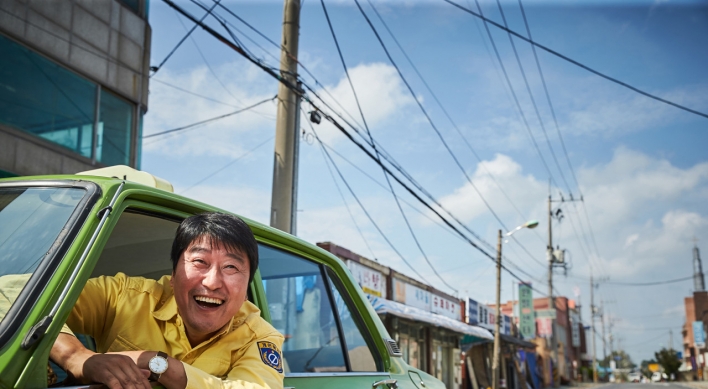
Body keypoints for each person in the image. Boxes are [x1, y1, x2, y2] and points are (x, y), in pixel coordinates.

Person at [49, 212, 284, 389]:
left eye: (231, 267)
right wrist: (77, 357)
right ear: (172, 275)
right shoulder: (124, 295)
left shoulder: (260, 337)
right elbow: (17, 295)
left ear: (245, 292)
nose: (212, 282)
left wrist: (159, 364)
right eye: (200, 262)